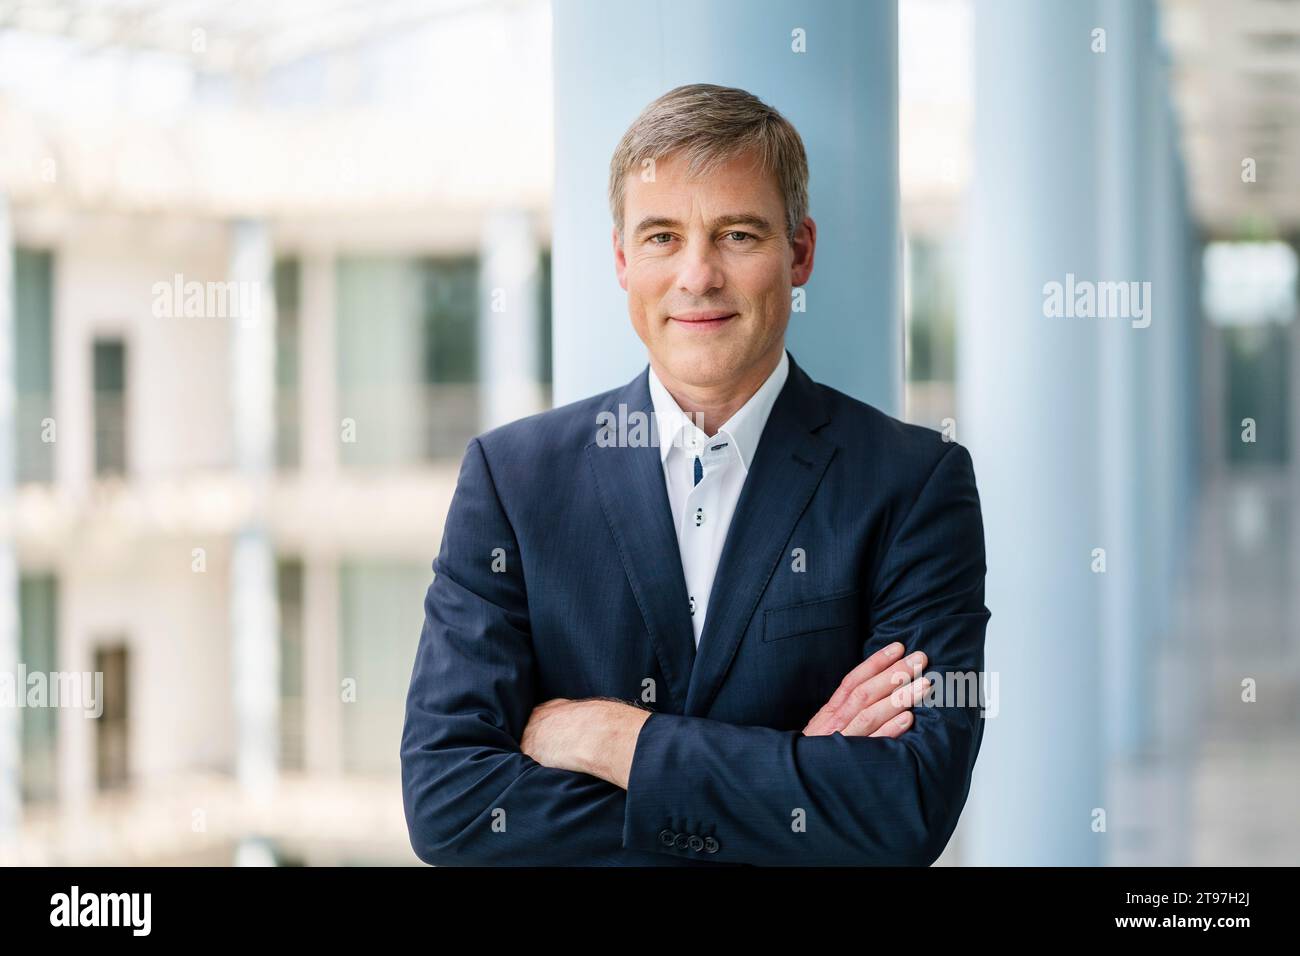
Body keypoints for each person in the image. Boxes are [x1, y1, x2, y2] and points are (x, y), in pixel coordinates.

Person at [401, 83, 990, 866]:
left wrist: (617, 739)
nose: (698, 275)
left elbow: (904, 807)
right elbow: (451, 806)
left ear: (800, 252)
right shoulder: (513, 483)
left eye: (739, 235)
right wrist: (786, 790)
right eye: (662, 238)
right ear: (621, 259)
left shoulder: (915, 486)